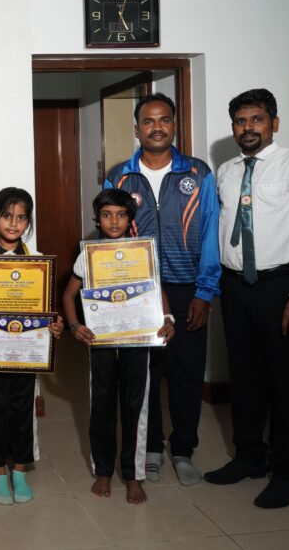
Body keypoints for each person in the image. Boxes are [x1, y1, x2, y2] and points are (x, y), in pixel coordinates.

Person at [205, 88, 289, 509]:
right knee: (244, 377)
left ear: (274, 123)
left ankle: (288, 472)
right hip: (235, 287)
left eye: (257, 119)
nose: (248, 128)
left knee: (286, 382)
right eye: (241, 121)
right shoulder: (226, 171)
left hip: (282, 287)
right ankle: (249, 457)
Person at [104, 93, 219, 486]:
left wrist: (205, 292)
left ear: (174, 125)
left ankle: (183, 449)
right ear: (137, 130)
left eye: (164, 119)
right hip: (139, 290)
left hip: (188, 287)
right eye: (148, 121)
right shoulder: (120, 176)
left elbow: (211, 232)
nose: (157, 127)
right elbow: (110, 233)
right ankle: (151, 447)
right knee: (144, 374)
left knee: (187, 373)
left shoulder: (198, 173)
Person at [62, 188, 175, 504]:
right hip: (101, 344)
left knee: (136, 407)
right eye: (107, 215)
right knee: (101, 407)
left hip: (138, 342)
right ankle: (103, 470)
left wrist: (168, 319)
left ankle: (133, 475)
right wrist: (75, 325)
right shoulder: (88, 255)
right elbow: (69, 294)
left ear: (130, 219)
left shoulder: (142, 252)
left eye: (121, 215)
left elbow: (157, 290)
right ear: (97, 219)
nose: (114, 221)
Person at [0, 187, 64, 505]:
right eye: (7, 216)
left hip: (26, 351)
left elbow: (45, 308)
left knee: (22, 410)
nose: (13, 224)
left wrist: (54, 324)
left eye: (21, 218)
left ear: (28, 222)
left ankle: (19, 471)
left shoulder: (37, 260)